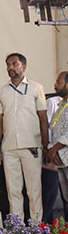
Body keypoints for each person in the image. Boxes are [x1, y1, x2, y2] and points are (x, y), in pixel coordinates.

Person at [0, 53, 48, 222]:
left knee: (34, 190)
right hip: (9, 147)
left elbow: (43, 118)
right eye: (8, 65)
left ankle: (36, 228)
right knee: (13, 190)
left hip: (32, 145)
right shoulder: (1, 91)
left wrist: (45, 144)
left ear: (23, 67)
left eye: (14, 64)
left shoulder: (36, 88)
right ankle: (17, 229)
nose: (11, 67)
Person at [46, 71, 68, 221]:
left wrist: (54, 149)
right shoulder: (62, 104)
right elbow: (53, 129)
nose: (55, 85)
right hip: (61, 160)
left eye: (59, 83)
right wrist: (51, 149)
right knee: (66, 199)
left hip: (64, 156)